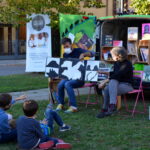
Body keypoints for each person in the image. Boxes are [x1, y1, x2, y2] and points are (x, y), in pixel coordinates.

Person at [56, 37, 95, 113]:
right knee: (60, 84)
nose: (65, 48)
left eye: (67, 46)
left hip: (79, 78)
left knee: (67, 84)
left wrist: (83, 54)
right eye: (64, 47)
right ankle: (61, 104)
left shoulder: (79, 51)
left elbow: (92, 53)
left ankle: (73, 107)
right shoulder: (65, 54)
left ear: (71, 45)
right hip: (69, 77)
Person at [96, 47, 134, 118]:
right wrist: (103, 73)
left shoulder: (127, 64)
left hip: (127, 85)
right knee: (107, 88)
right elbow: (114, 74)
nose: (111, 56)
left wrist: (104, 82)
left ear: (117, 56)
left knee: (112, 82)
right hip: (117, 84)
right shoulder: (117, 63)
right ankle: (106, 109)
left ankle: (111, 105)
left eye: (112, 55)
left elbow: (118, 75)